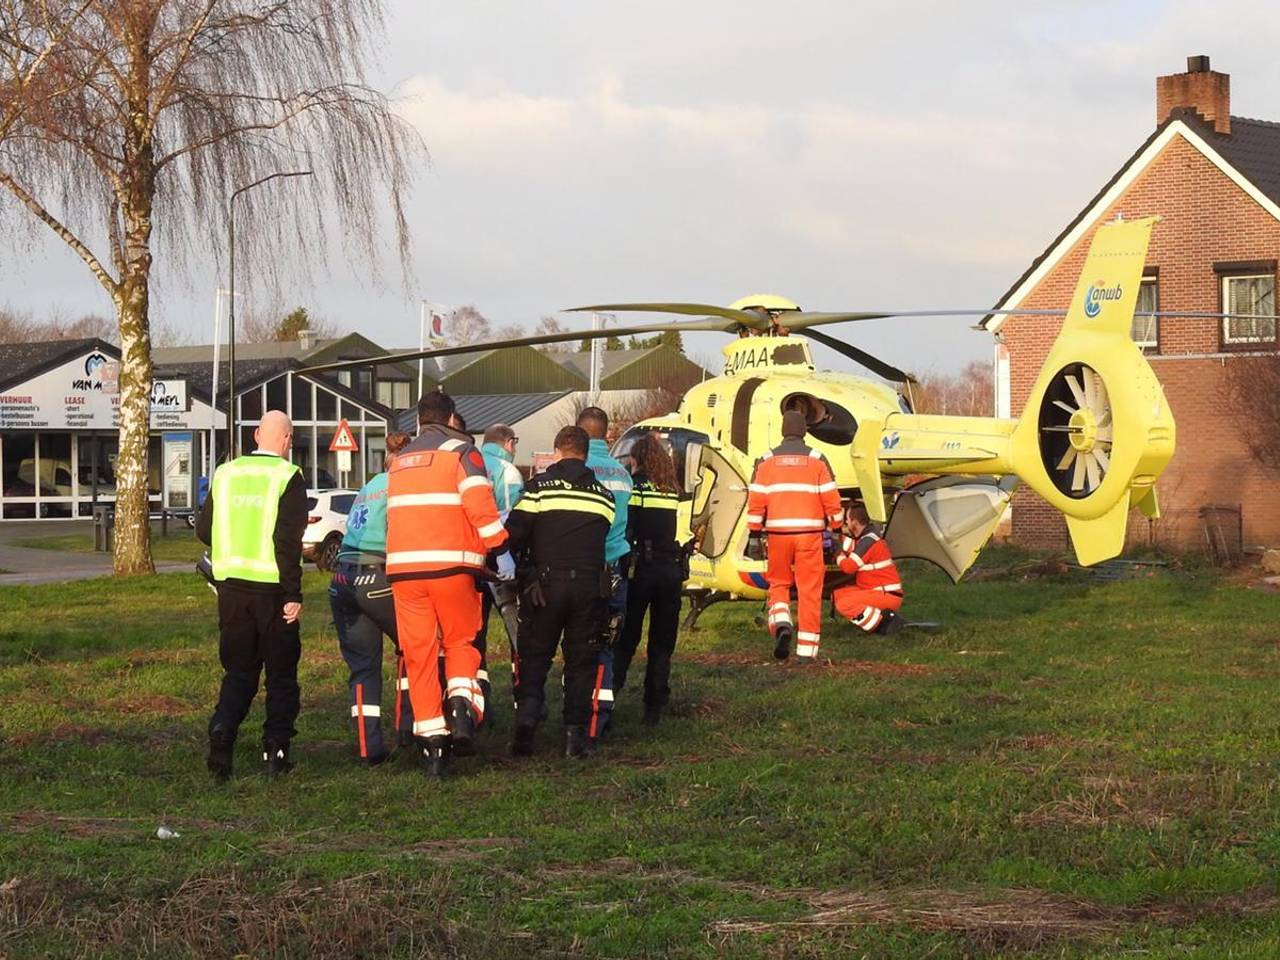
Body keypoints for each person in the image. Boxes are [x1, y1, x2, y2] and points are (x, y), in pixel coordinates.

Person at [386, 391, 508, 778]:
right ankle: (459, 705)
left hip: (404, 573)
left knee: (419, 655)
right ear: (452, 417)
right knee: (459, 641)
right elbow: (480, 507)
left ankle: (433, 749)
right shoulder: (463, 452)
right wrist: (500, 545)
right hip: (453, 568)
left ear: (420, 420)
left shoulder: (399, 461)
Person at [197, 409, 308, 780]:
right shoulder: (288, 476)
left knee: (239, 671)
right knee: (280, 675)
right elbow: (288, 542)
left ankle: (222, 731)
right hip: (274, 592)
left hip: (231, 590)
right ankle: (275, 752)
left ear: (257, 435)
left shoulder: (226, 473)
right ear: (288, 440)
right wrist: (295, 593)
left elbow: (203, 529)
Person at [505, 425, 615, 759]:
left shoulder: (538, 490)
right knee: (581, 663)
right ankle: (574, 740)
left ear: (557, 452)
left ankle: (525, 727)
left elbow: (513, 536)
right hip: (588, 589)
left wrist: (525, 572)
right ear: (585, 453)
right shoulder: (603, 496)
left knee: (536, 657)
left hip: (545, 587)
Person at [328, 431, 415, 765]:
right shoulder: (401, 485)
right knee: (414, 647)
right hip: (377, 575)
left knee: (363, 667)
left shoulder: (370, 484)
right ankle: (409, 727)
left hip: (343, 576)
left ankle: (369, 747)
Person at [746, 410, 843, 663]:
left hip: (777, 536)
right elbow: (831, 499)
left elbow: (756, 500)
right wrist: (837, 527)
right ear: (804, 431)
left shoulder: (765, 462)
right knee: (810, 590)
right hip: (809, 536)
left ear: (782, 431)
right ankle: (806, 654)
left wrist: (755, 534)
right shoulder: (818, 460)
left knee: (778, 584)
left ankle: (781, 623)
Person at [612, 434, 689, 725]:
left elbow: (628, 529)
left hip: (640, 570)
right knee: (662, 641)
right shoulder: (670, 490)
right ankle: (654, 706)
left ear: (636, 459)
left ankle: (608, 700)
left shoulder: (635, 487)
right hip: (670, 570)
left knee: (626, 638)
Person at [576, 406, 631, 741]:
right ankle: (602, 715)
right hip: (615, 567)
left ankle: (577, 711)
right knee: (607, 643)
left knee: (578, 642)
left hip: (581, 568)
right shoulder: (622, 473)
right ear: (607, 434)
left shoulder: (573, 469)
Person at [474, 423, 524, 712]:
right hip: (503, 559)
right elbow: (515, 519)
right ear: (507, 443)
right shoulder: (508, 472)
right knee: (516, 630)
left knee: (474, 635)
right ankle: (522, 696)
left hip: (471, 561)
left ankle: (479, 702)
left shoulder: (470, 464)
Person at [832, 502, 904, 635]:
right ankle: (875, 618)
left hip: (886, 595)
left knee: (844, 604)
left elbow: (849, 567)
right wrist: (834, 538)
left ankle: (883, 624)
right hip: (877, 590)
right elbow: (855, 547)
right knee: (837, 594)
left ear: (854, 522)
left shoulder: (868, 541)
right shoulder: (868, 537)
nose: (846, 524)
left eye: (847, 520)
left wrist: (839, 555)